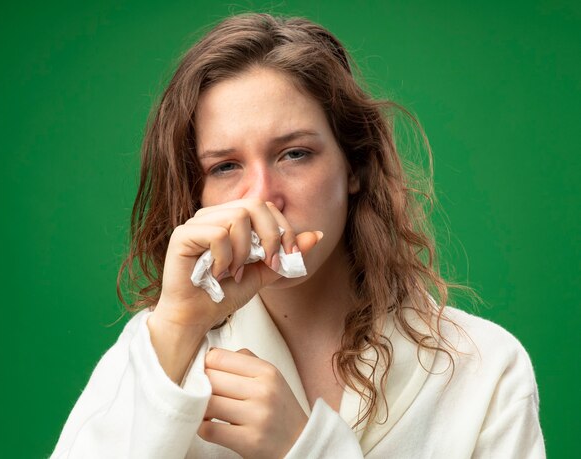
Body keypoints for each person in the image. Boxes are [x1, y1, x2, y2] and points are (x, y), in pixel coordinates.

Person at [52, 13, 545, 458]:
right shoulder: (161, 348)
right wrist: (178, 326)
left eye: (294, 154)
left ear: (353, 165)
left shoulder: (485, 370)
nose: (262, 196)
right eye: (225, 167)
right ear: (198, 195)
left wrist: (304, 449)